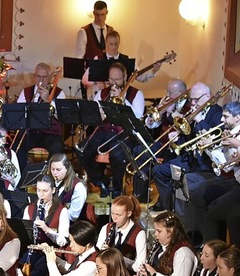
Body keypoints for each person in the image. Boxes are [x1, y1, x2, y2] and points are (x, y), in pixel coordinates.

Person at [179, 101, 240, 242]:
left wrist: (210, 148)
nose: (221, 120)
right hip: (223, 175)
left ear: (237, 118)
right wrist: (208, 147)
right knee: (184, 183)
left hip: (233, 180)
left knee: (197, 196)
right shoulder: (228, 133)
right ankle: (189, 231)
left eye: (225, 116)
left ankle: (200, 239)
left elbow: (227, 166)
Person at [152, 82, 223, 212]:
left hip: (203, 163)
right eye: (192, 99)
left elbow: (214, 137)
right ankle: (169, 207)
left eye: (196, 99)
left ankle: (178, 212)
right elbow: (188, 134)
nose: (193, 103)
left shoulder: (217, 113)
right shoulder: (194, 110)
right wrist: (177, 137)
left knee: (179, 179)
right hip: (188, 158)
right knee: (158, 171)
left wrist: (200, 120)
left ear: (207, 96)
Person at [80, 62, 145, 198]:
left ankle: (117, 189)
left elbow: (138, 117)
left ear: (125, 77)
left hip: (124, 134)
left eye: (117, 79)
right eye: (111, 79)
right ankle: (100, 181)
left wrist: (122, 101)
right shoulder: (103, 93)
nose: (113, 83)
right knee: (82, 150)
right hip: (103, 132)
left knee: (117, 155)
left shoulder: (136, 94)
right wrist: (99, 115)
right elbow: (95, 114)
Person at [132, 79, 190, 202]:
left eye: (170, 92)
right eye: (167, 91)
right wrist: (158, 112)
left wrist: (173, 112)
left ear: (181, 92)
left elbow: (185, 128)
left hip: (175, 148)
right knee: (138, 151)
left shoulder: (189, 106)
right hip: (162, 144)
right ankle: (140, 195)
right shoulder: (167, 101)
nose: (167, 95)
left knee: (160, 167)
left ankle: (163, 201)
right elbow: (151, 125)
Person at [136, 211, 197, 276]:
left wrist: (153, 275)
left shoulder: (183, 252)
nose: (155, 234)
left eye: (159, 231)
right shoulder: (160, 248)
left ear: (171, 231)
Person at [22, 175, 70, 276]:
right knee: (19, 268)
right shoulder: (30, 208)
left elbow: (63, 241)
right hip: (34, 249)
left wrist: (47, 230)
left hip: (51, 252)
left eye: (45, 191)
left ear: (53, 190)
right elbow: (24, 233)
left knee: (36, 274)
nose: (41, 195)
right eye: (38, 190)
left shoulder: (62, 210)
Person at [81, 30, 160, 99]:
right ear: (106, 43)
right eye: (111, 44)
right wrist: (97, 82)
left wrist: (153, 71)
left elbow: (141, 78)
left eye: (116, 44)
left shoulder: (126, 59)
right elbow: (84, 79)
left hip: (121, 96)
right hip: (102, 95)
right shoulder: (98, 58)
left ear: (119, 43)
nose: (113, 47)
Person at [16, 63, 66, 169]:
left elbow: (60, 116)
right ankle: (22, 179)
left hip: (51, 133)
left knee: (57, 147)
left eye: (44, 77)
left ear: (49, 78)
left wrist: (47, 99)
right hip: (31, 132)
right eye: (38, 76)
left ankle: (50, 178)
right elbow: (19, 113)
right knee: (18, 146)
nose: (41, 80)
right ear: (34, 77)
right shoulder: (26, 92)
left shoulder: (59, 93)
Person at [96, 195, 146, 273]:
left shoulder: (139, 233)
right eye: (112, 213)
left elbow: (140, 266)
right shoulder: (106, 228)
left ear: (129, 213)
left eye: (118, 215)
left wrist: (116, 258)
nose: (114, 218)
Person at [47, 153, 87, 222]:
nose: (55, 173)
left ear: (67, 168)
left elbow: (73, 216)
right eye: (53, 169)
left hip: (71, 227)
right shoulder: (50, 181)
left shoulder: (78, 187)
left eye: (58, 170)